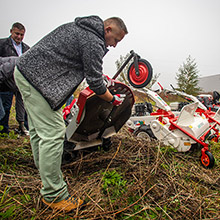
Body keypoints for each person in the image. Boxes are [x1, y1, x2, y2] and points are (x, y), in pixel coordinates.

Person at [14, 15, 128, 212]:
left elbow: (89, 69)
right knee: (54, 133)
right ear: (107, 29)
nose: (115, 45)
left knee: (38, 131)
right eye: (116, 40)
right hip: (37, 81)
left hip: (28, 74)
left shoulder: (82, 29)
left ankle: (47, 173)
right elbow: (94, 82)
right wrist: (113, 99)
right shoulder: (93, 40)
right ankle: (54, 194)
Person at [0, 22, 29, 135]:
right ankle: (4, 130)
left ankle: (23, 127)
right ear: (11, 31)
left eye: (22, 35)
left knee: (23, 105)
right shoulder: (2, 44)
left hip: (19, 82)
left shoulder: (26, 48)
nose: (19, 37)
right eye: (17, 34)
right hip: (4, 82)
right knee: (5, 107)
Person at [0, 56, 28, 135]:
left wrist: (21, 123)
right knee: (1, 113)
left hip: (4, 88)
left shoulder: (26, 81)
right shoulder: (14, 64)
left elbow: (20, 102)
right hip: (3, 88)